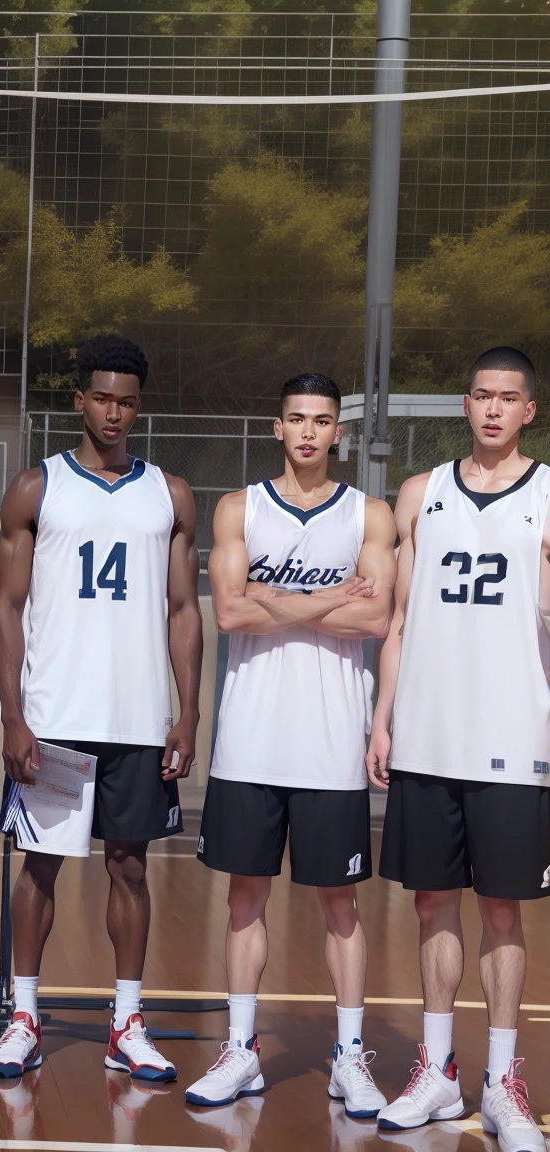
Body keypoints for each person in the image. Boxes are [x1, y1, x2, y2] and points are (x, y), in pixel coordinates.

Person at [0, 332, 202, 1081]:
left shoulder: (168, 494)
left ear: (141, 407)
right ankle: (23, 1019)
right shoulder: (36, 488)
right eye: (102, 398)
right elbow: (6, 609)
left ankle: (127, 1022)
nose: (114, 412)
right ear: (79, 399)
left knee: (130, 869)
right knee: (39, 868)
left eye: (128, 402)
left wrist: (189, 711)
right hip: (56, 715)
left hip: (137, 718)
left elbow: (182, 610)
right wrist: (13, 716)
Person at [186, 372, 395, 1113]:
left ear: (339, 432)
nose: (309, 432)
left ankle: (348, 1057)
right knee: (246, 897)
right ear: (277, 427)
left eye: (323, 420)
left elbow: (373, 624)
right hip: (249, 739)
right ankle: (241, 1050)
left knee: (340, 905)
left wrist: (277, 599)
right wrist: (330, 597)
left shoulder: (370, 515)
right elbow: (231, 616)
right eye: (297, 418)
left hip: (332, 740)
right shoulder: (238, 508)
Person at [367, 347, 550, 1152]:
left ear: (529, 412)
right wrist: (382, 718)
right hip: (430, 736)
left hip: (514, 737)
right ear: (464, 403)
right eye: (481, 395)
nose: (493, 410)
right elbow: (399, 621)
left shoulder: (548, 496)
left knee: (503, 911)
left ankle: (503, 1082)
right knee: (432, 902)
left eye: (509, 399)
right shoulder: (420, 494)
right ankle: (436, 1069)